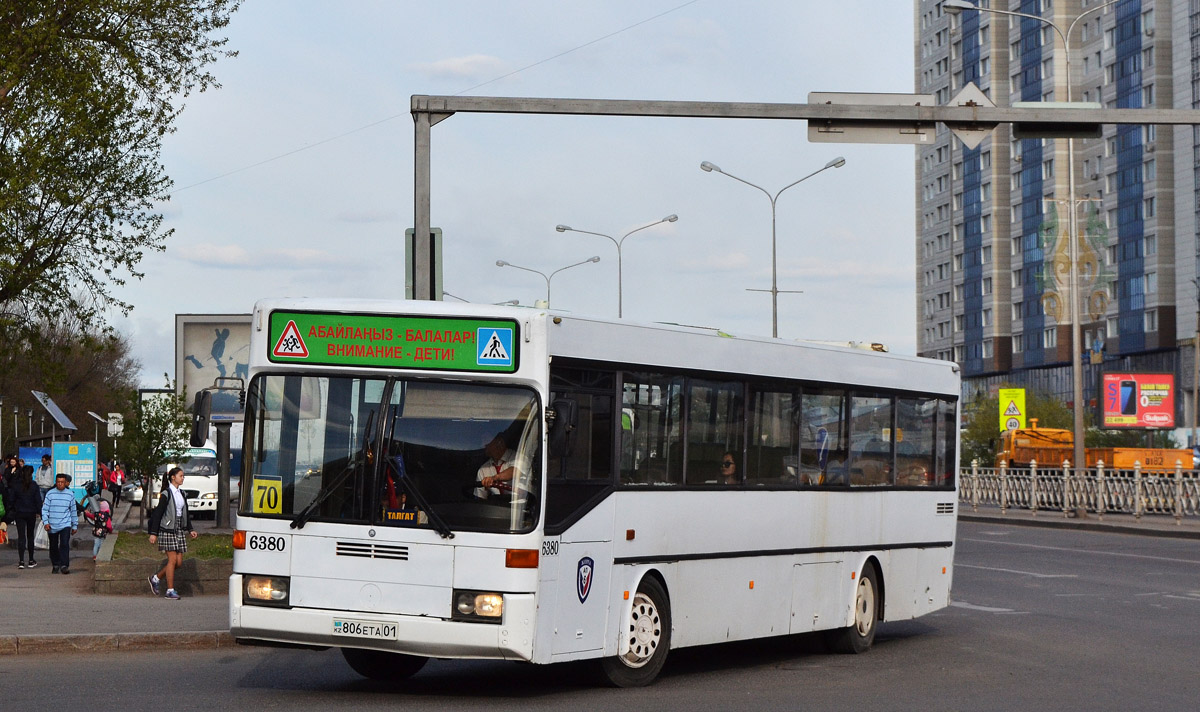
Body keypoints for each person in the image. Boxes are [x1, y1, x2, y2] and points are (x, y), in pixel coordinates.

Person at [147, 467, 197, 600]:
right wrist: (153, 533)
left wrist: (190, 529)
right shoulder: (166, 493)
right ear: (173, 477)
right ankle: (170, 590)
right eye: (181, 475)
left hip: (179, 529)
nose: (183, 478)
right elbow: (158, 513)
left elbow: (185, 513)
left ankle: (156, 578)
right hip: (167, 530)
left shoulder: (182, 493)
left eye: (183, 476)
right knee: (172, 560)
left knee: (178, 562)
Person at [41, 472, 78, 574]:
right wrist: (46, 522)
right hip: (52, 524)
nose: (60, 484)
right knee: (53, 546)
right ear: (56, 482)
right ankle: (55, 564)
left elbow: (73, 510)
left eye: (62, 482)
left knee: (64, 544)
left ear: (66, 483)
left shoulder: (70, 494)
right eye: (58, 482)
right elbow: (44, 509)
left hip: (65, 524)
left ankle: (64, 565)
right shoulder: (50, 494)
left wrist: (74, 525)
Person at [474, 433, 530, 498]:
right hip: (497, 506)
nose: (483, 445)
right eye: (481, 441)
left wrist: (494, 478)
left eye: (486, 441)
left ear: (500, 442)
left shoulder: (520, 458)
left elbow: (514, 471)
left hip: (520, 506)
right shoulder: (483, 470)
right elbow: (480, 498)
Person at [7, 465, 42, 568]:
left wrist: (12, 509)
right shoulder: (34, 485)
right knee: (30, 536)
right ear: (31, 474)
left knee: (21, 537)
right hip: (31, 513)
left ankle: (21, 561)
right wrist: (41, 513)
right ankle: (31, 560)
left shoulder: (16, 485)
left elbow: (11, 499)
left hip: (19, 513)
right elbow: (38, 501)